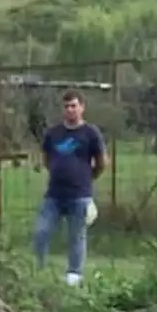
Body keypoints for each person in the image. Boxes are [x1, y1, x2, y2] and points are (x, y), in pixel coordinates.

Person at [34, 89, 108, 286]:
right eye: (66, 106)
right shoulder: (53, 133)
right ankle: (38, 269)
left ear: (82, 107)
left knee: (76, 235)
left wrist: (87, 178)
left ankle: (74, 275)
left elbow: (101, 162)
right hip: (54, 194)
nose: (70, 110)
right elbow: (46, 158)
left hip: (80, 194)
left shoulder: (91, 133)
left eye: (74, 106)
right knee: (42, 230)